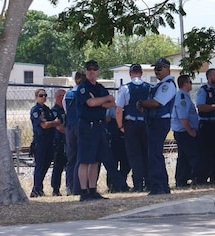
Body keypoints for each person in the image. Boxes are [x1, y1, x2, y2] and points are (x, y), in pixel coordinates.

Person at [75, 60, 116, 201]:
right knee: (85, 160)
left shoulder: (99, 87)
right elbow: (90, 103)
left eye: (94, 69)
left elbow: (112, 103)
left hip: (99, 126)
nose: (91, 71)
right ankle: (83, 192)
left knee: (96, 160)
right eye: (89, 69)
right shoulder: (83, 88)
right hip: (87, 126)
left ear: (98, 71)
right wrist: (103, 100)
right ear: (86, 71)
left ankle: (92, 190)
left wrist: (100, 101)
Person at [137, 58, 176, 195]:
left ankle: (158, 186)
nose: (156, 71)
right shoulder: (161, 85)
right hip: (155, 121)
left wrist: (142, 103)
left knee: (154, 155)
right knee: (155, 154)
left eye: (159, 68)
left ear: (167, 69)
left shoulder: (167, 85)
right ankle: (162, 186)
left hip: (160, 122)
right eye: (155, 69)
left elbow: (157, 103)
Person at [115, 63, 150, 192]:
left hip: (131, 125)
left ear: (130, 74)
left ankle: (138, 184)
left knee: (134, 155)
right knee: (146, 153)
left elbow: (119, 110)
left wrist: (120, 126)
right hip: (146, 124)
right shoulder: (149, 87)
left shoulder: (125, 88)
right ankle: (149, 181)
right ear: (141, 73)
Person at [29, 88, 60, 197]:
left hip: (50, 140)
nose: (44, 97)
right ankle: (36, 189)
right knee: (40, 165)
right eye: (41, 95)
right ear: (36, 97)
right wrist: (54, 123)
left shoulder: (47, 110)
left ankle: (39, 188)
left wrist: (52, 123)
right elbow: (44, 125)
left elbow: (56, 122)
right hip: (40, 141)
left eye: (45, 95)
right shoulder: (35, 110)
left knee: (47, 164)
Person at [194, 68, 215, 184]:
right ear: (209, 77)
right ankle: (202, 179)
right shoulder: (203, 90)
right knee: (205, 153)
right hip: (206, 124)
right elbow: (200, 107)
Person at [171, 74, 199, 188]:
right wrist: (190, 131)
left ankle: (181, 180)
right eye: (190, 82)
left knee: (183, 157)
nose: (191, 84)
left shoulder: (184, 96)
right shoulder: (182, 97)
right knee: (192, 155)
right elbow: (183, 117)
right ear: (185, 83)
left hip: (183, 131)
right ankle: (194, 177)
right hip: (184, 132)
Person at [63, 71, 85, 195]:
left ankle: (69, 186)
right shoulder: (85, 93)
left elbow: (66, 110)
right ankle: (81, 186)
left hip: (70, 127)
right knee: (83, 157)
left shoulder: (68, 94)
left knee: (71, 158)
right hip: (82, 126)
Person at [49, 88, 67, 196]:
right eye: (60, 96)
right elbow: (58, 127)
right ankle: (55, 189)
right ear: (56, 97)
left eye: (63, 96)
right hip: (59, 141)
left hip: (69, 141)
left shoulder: (68, 110)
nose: (62, 98)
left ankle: (70, 187)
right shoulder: (54, 111)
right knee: (58, 166)